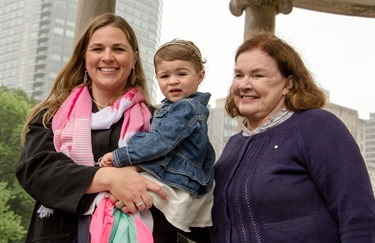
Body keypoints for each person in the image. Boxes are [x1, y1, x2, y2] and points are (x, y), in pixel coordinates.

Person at [16, 13, 168, 242]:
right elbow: (37, 170)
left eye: (118, 49)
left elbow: (181, 172)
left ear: (134, 58)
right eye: (97, 49)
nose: (108, 57)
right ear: (84, 57)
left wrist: (136, 173)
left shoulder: (160, 120)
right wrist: (108, 178)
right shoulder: (52, 115)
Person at [210, 32, 375, 242]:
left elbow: (358, 215)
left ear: (288, 84)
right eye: (239, 75)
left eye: (258, 75)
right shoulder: (234, 145)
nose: (244, 84)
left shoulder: (317, 126)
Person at [100, 39, 215, 242]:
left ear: (200, 75)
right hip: (173, 174)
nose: (173, 81)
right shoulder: (173, 108)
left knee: (119, 199)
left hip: (175, 178)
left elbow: (160, 142)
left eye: (181, 73)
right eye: (165, 76)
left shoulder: (186, 109)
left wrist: (121, 156)